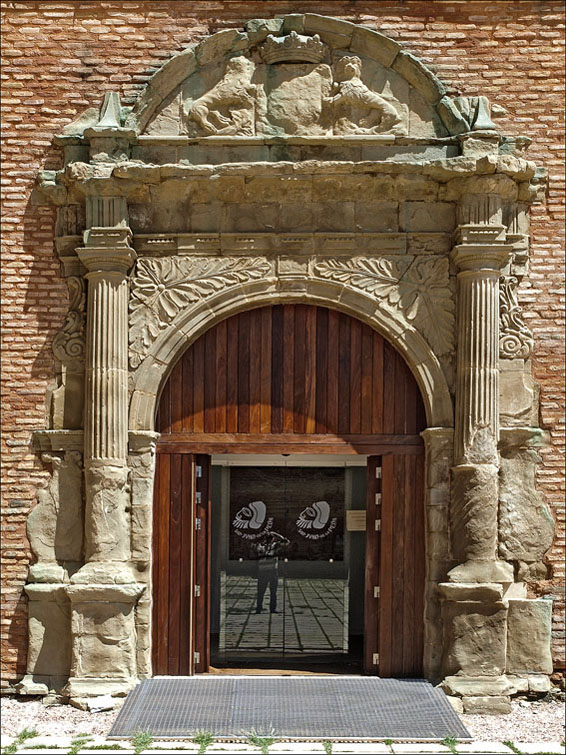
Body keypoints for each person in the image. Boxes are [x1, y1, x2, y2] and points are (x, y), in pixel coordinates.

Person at [253, 531, 289, 614]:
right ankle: (264, 608)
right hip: (267, 571)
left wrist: (275, 534)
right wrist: (277, 535)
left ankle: (261, 608)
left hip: (267, 571)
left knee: (266, 591)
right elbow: (286, 542)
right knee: (268, 592)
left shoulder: (272, 546)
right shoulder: (266, 546)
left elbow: (286, 542)